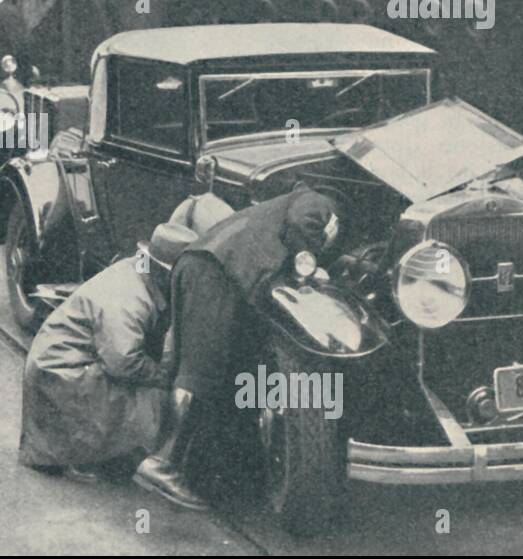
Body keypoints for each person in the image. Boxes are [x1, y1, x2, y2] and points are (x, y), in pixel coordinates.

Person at [133, 185, 339, 510]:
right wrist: (311, 263)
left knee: (212, 373)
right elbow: (303, 223)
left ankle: (191, 469)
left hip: (212, 269)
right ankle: (163, 464)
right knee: (202, 375)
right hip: (215, 272)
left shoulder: (277, 203)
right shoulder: (319, 199)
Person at [19, 223, 200, 480]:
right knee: (151, 399)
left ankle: (98, 451)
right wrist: (165, 377)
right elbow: (123, 362)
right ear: (163, 273)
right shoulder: (128, 299)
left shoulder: (138, 274)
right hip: (60, 372)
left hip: (67, 362)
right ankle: (81, 456)